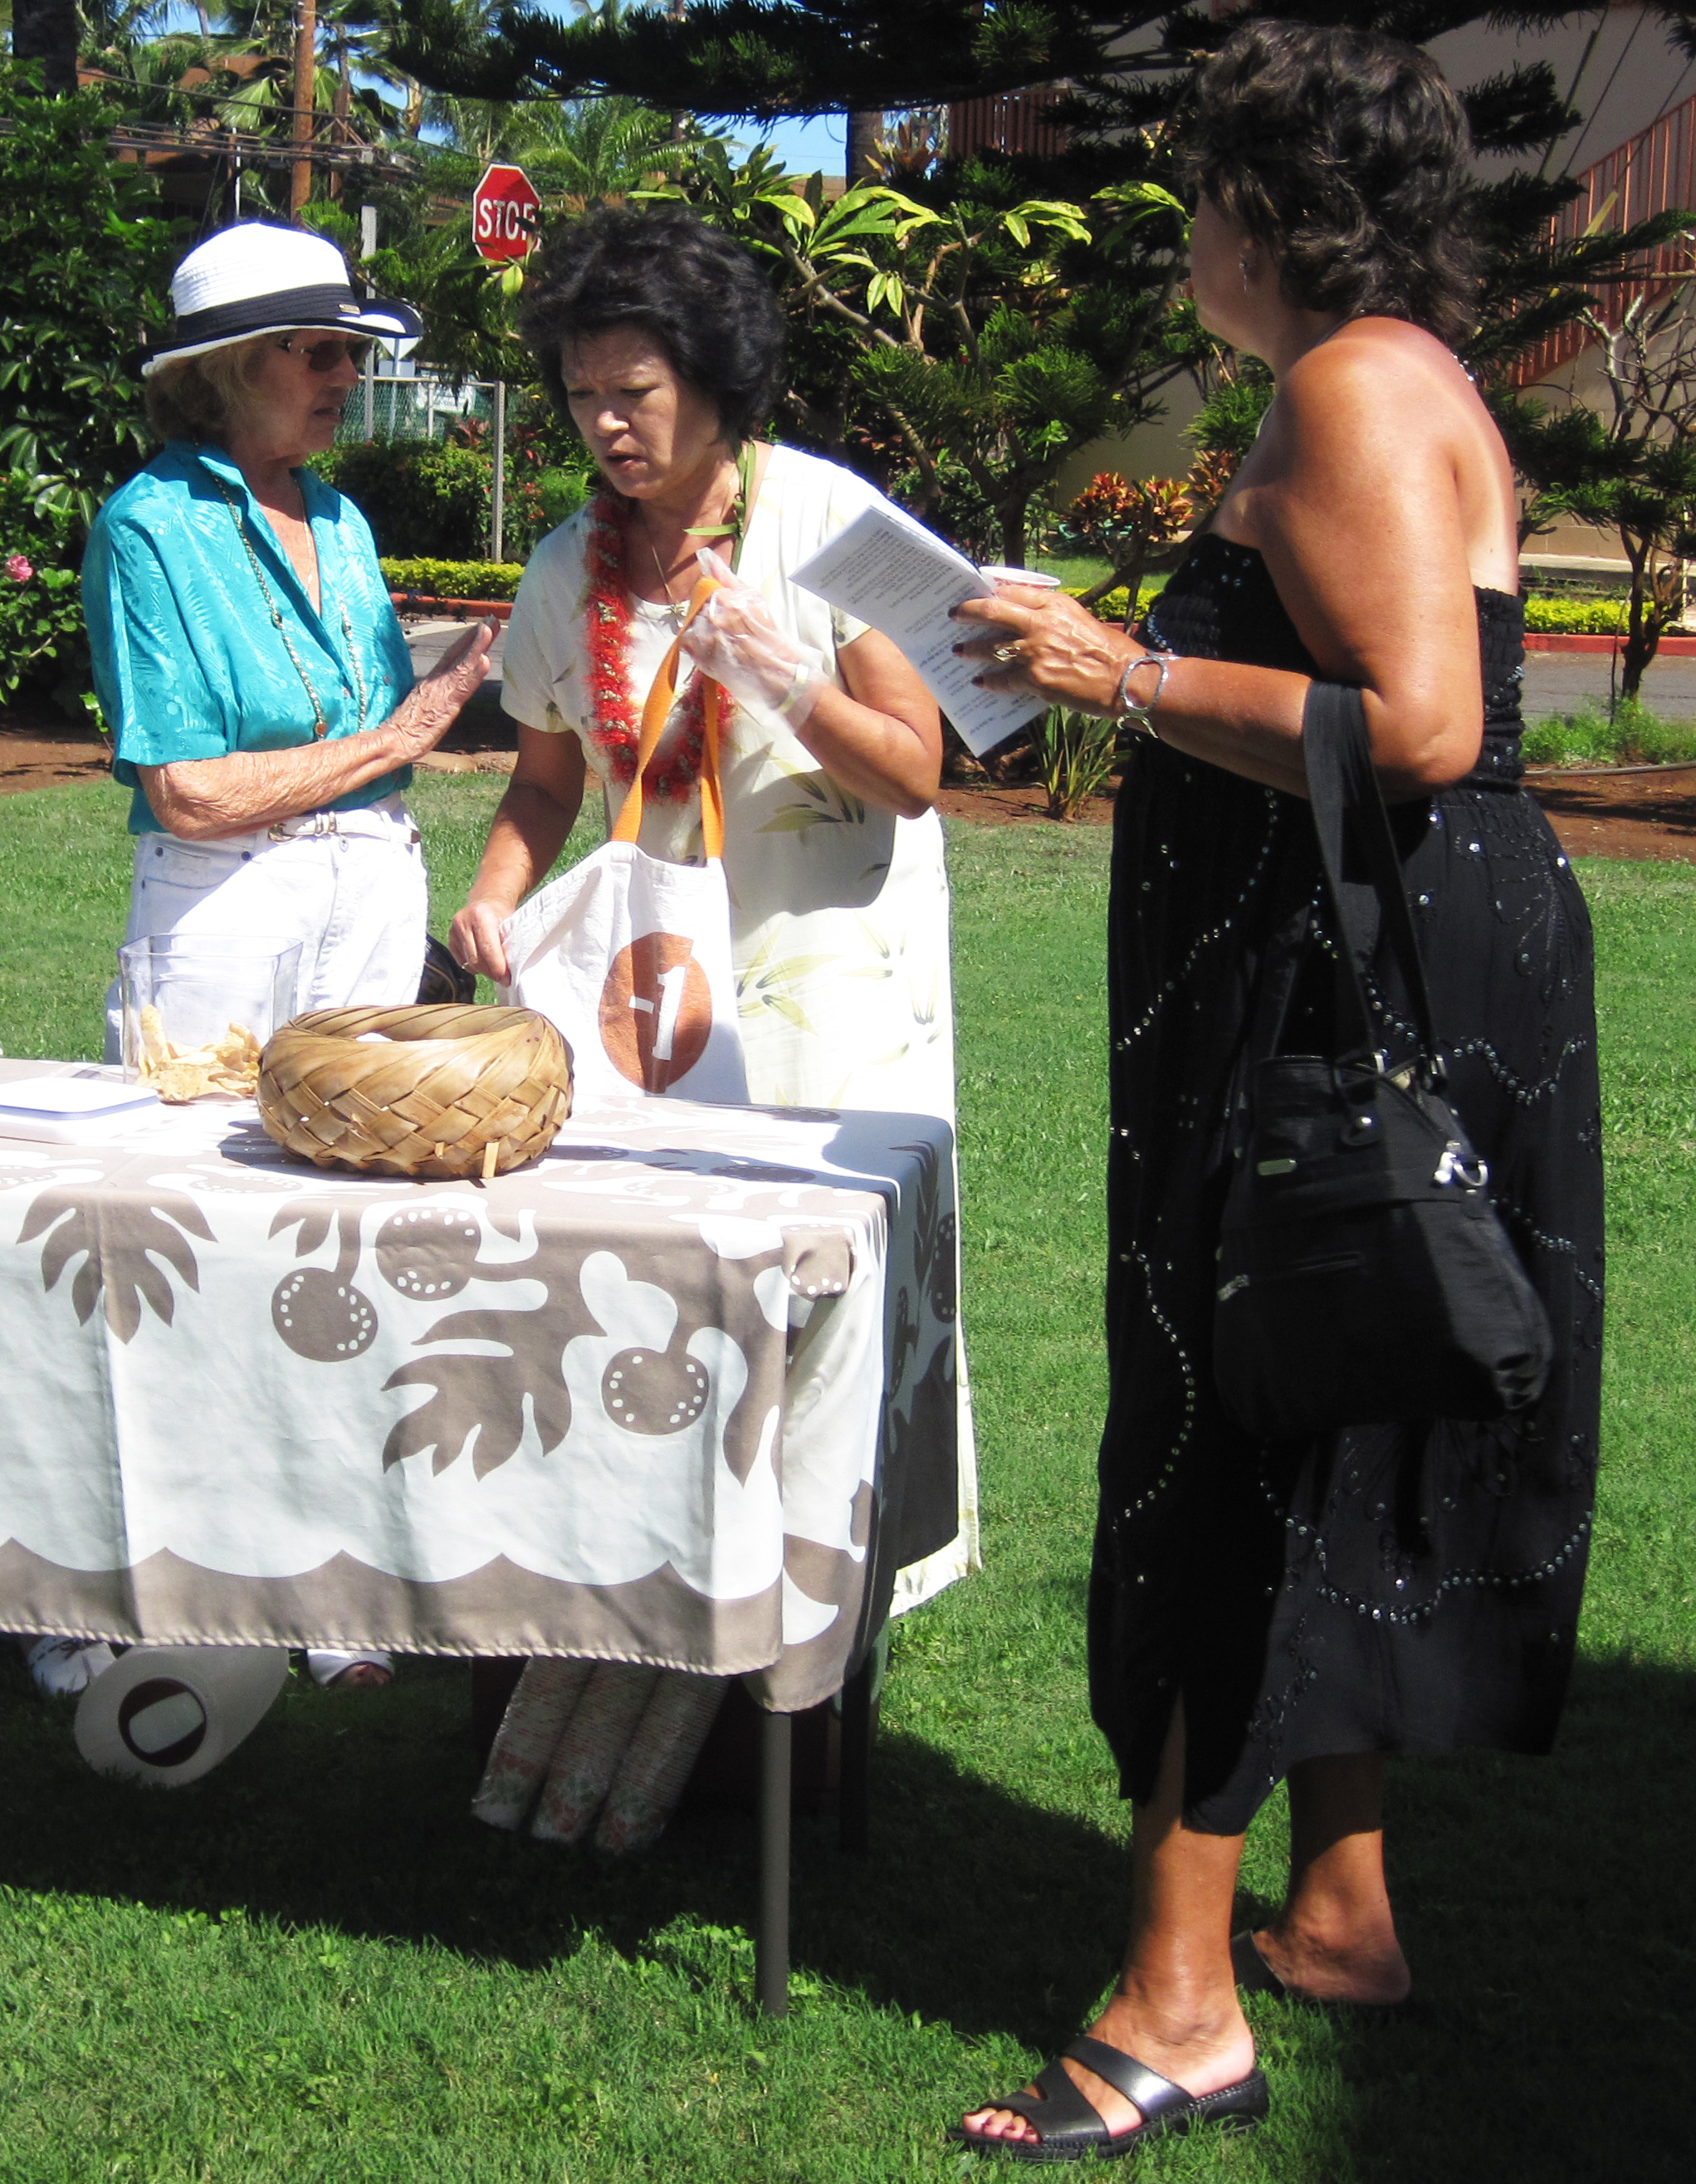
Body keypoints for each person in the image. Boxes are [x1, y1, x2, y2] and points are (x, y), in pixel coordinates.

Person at [947, 21, 1601, 2161]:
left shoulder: (1344, 382)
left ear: (1270, 211)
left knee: (1239, 1437)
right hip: (1404, 971)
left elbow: (1412, 724)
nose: (1186, 233)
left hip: (1343, 999)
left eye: (1203, 195)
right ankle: (1339, 1914)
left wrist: (1113, 668)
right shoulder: (1400, 372)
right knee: (1343, 1403)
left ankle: (1174, 2001)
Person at [451, 204, 976, 1604]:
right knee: (654, 1284)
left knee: (822, 1296)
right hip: (657, 997)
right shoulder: (570, 567)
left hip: (833, 987)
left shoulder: (823, 524)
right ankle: (654, 1596)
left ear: (713, 379)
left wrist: (783, 674)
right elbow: (546, 787)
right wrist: (494, 898)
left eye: (634, 392)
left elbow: (919, 771)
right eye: (578, 397)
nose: (605, 426)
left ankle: (815, 1616)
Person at [27, 222, 493, 1702]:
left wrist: (418, 704)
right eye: (317, 351)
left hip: (368, 883)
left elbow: (354, 726)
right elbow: (185, 787)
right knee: (160, 1242)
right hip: (225, 900)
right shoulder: (149, 528)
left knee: (342, 1231)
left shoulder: (344, 525)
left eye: (352, 353)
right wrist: (393, 739)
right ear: (229, 370)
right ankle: (87, 1600)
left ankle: (328, 1578)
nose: (345, 377)